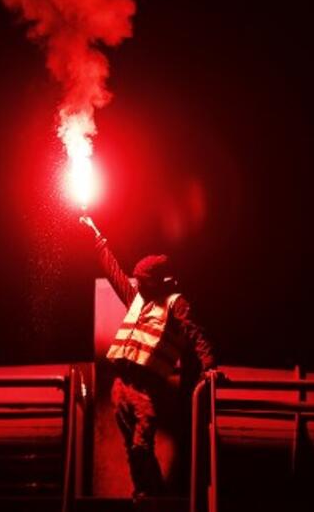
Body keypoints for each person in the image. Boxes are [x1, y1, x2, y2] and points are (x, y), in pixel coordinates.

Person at [80, 215, 217, 502]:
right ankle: (143, 493)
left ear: (160, 282)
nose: (138, 285)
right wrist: (95, 236)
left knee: (142, 445)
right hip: (121, 384)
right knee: (132, 446)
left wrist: (210, 367)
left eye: (144, 282)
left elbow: (195, 333)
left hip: (146, 388)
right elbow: (114, 274)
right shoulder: (139, 299)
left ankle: (155, 496)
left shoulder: (176, 304)